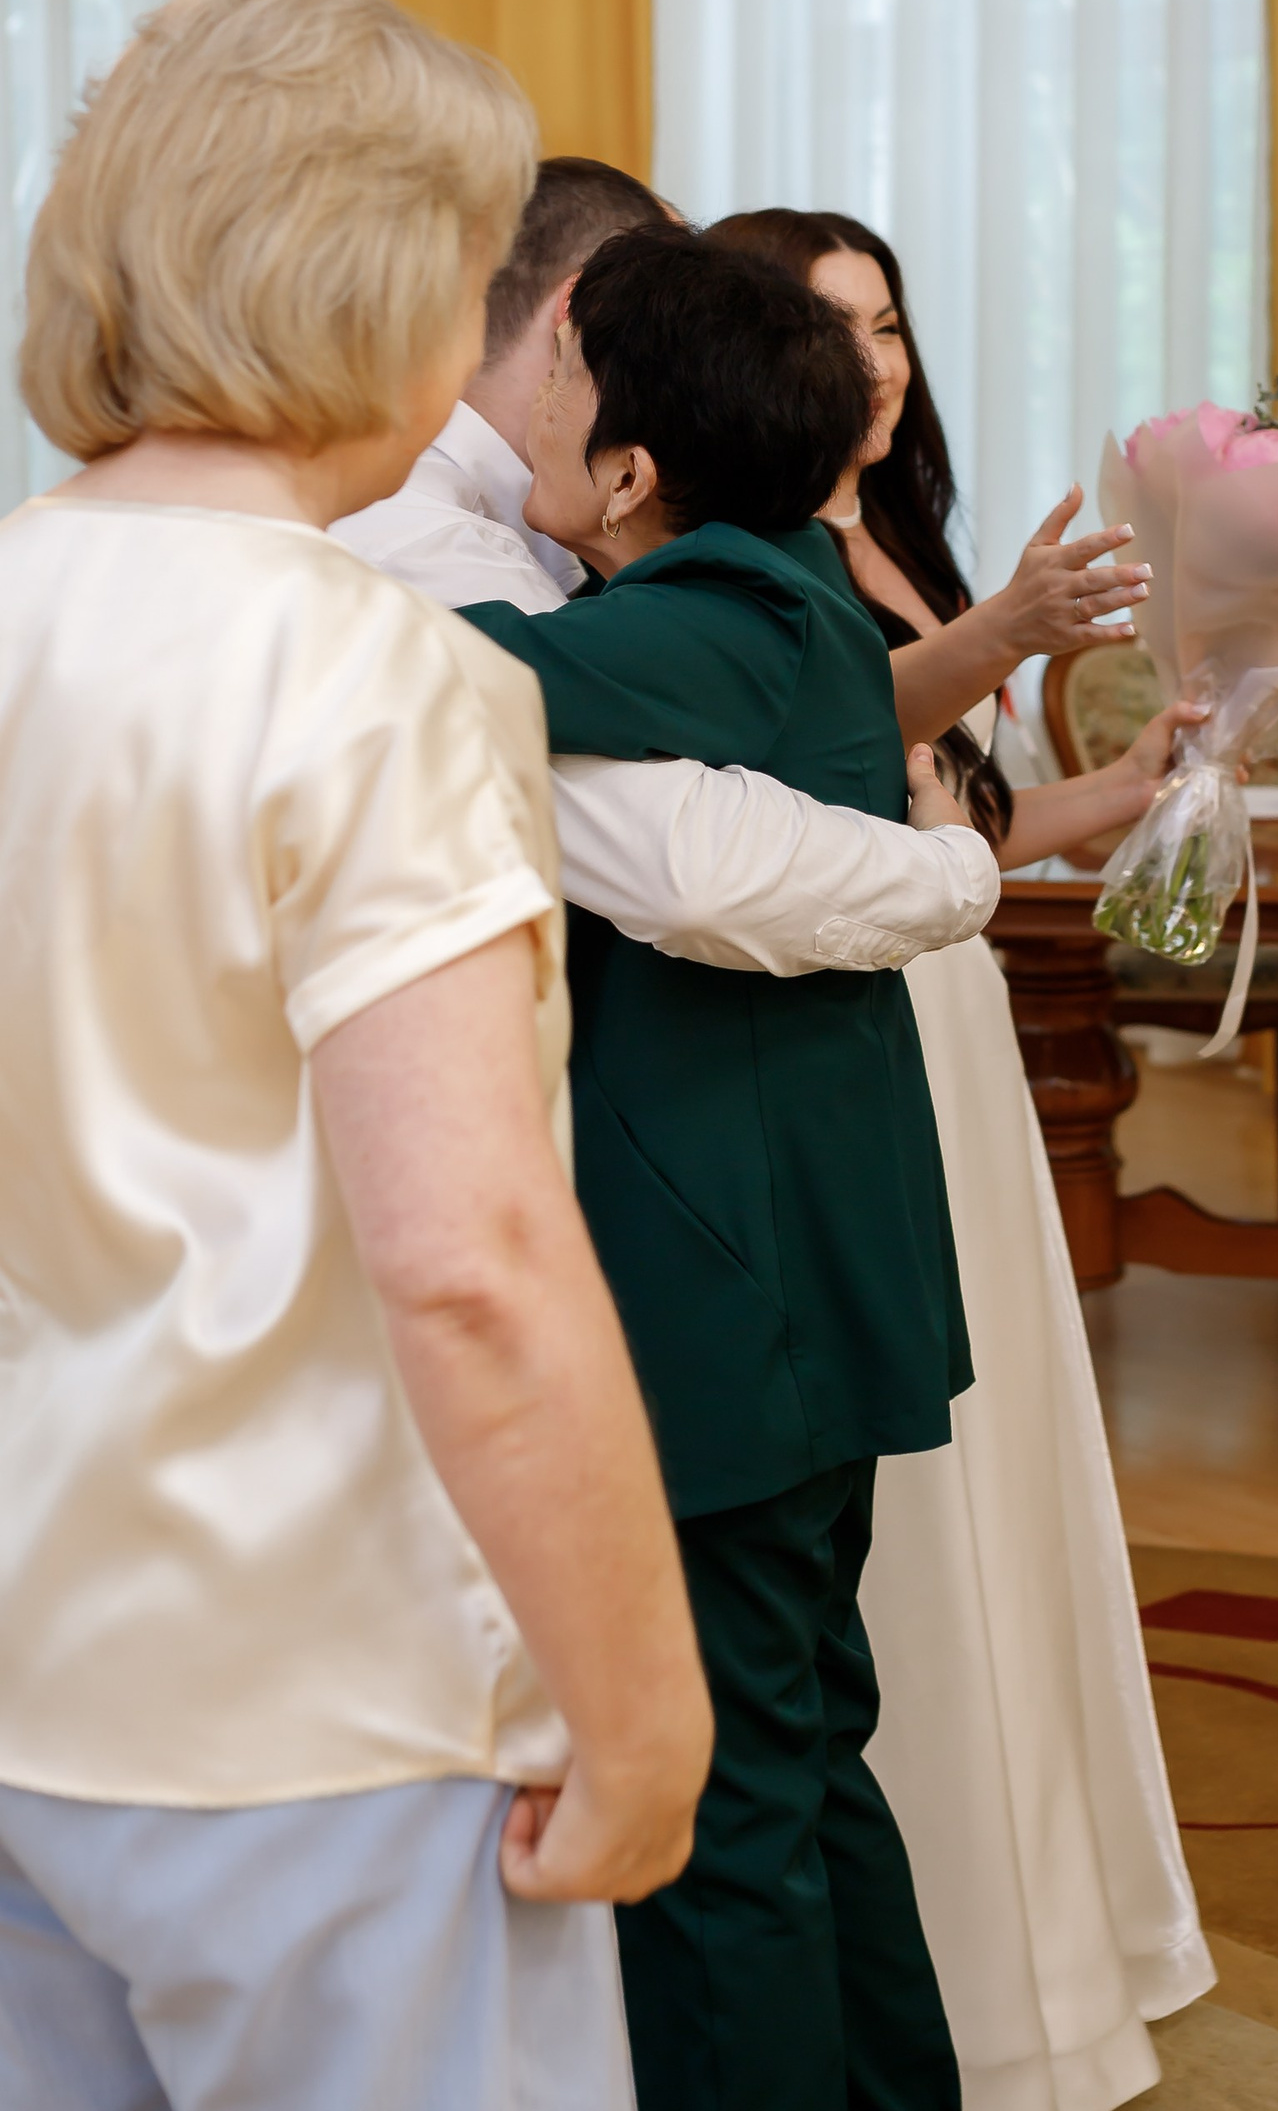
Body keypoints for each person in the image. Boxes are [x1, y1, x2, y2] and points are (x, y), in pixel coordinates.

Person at [0, 0, 712, 2110]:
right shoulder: (384, 673)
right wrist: (643, 1712)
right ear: (396, 293)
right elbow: (474, 1260)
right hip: (294, 1711)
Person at [707, 206, 1216, 2108]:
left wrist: (1126, 793)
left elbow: (966, 820)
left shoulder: (889, 543)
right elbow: (831, 737)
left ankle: (1027, 1917)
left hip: (958, 1007)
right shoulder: (744, 554)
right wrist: (1003, 631)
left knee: (1004, 1444)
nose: (877, 359)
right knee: (908, 1494)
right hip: (859, 1019)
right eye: (832, 325)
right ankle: (937, 1937)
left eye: (893, 320)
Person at [458, 225, 970, 2111]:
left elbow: (454, 677)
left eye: (562, 382)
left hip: (722, 1303)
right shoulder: (805, 592)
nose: (528, 401)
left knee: (726, 1815)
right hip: (805, 1288)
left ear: (633, 467)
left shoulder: (713, 614)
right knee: (804, 1752)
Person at [334, 157, 1007, 990]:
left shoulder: (724, 594)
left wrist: (298, 602)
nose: (550, 399)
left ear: (633, 477)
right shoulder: (428, 523)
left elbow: (513, 672)